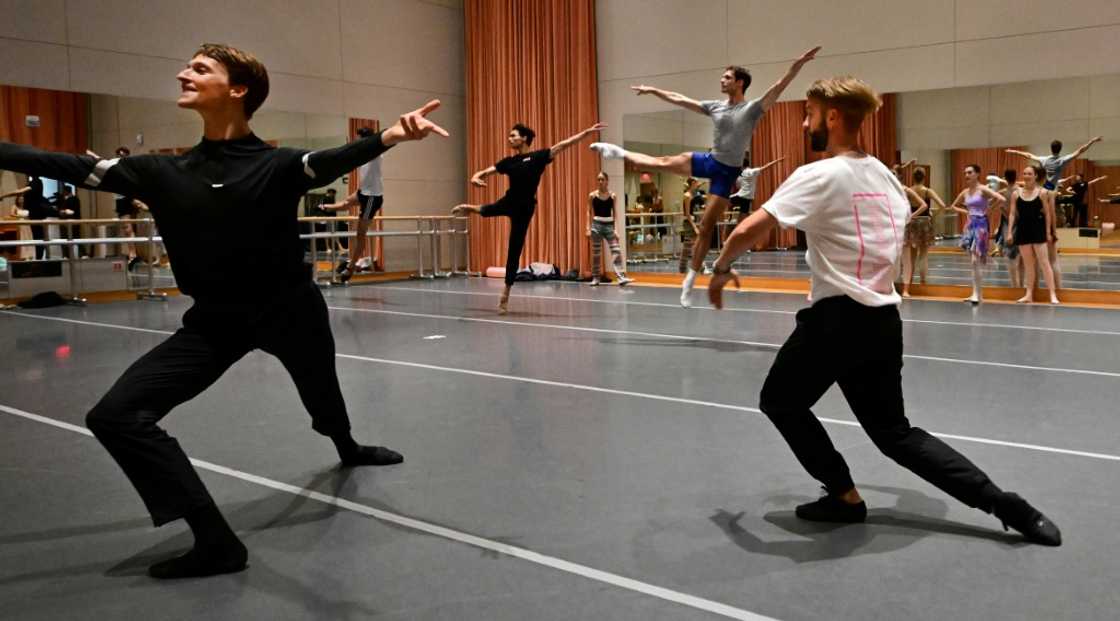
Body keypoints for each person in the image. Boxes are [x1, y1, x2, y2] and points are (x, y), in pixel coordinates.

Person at [0, 43, 449, 579]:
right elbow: (63, 164)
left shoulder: (277, 165)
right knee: (115, 416)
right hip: (216, 322)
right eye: (188, 65)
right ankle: (215, 542)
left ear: (237, 90)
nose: (182, 72)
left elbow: (325, 162)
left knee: (323, 396)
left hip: (290, 312)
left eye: (200, 68)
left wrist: (389, 137)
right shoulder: (158, 172)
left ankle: (347, 445)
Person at [706, 75, 1061, 547]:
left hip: (835, 320)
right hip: (882, 321)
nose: (805, 124)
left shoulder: (819, 173)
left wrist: (720, 268)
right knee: (896, 434)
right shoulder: (885, 176)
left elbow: (749, 227)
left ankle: (844, 496)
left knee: (781, 401)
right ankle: (1009, 507)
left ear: (832, 117)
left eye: (809, 114)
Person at [590, 46, 821, 307]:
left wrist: (798, 64)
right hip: (710, 161)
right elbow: (681, 99)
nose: (722, 81)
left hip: (726, 174)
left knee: (707, 227)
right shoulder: (715, 107)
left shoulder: (752, 109)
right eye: (722, 77)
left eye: (727, 78)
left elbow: (780, 86)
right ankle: (616, 151)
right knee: (663, 162)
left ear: (740, 82)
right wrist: (654, 91)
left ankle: (690, 279)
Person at [452, 121, 605, 314]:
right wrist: (476, 176)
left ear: (524, 138)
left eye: (513, 136)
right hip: (509, 201)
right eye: (509, 136)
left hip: (525, 208)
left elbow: (563, 145)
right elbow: (486, 171)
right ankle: (473, 208)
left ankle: (505, 294)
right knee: (489, 210)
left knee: (514, 248)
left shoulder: (538, 157)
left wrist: (586, 132)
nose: (510, 139)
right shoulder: (509, 162)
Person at [319, 127, 385, 282]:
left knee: (360, 234)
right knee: (346, 203)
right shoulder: (361, 153)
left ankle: (351, 268)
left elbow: (382, 141)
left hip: (372, 197)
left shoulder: (376, 153)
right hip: (363, 191)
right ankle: (324, 207)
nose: (356, 141)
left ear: (366, 139)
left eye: (358, 138)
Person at [949, 164, 1005, 304]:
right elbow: (953, 206)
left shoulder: (983, 189)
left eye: (970, 172)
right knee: (973, 262)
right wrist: (966, 212)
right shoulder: (965, 192)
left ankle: (977, 294)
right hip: (970, 225)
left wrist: (989, 210)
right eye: (965, 173)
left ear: (977, 174)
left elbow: (1001, 199)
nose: (967, 175)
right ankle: (977, 294)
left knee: (975, 260)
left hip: (981, 224)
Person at [1009, 165, 1060, 304]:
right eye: (1024, 173)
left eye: (1029, 173)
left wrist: (1049, 232)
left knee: (1044, 263)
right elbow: (1013, 213)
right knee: (1028, 264)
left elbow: (1048, 213)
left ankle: (1052, 294)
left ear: (1036, 176)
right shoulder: (1016, 193)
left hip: (1038, 230)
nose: (1026, 176)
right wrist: (1009, 232)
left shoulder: (1042, 193)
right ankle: (1029, 294)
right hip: (1023, 230)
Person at [586, 172, 633, 286]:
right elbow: (588, 211)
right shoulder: (592, 195)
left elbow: (615, 213)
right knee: (596, 253)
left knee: (616, 250)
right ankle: (596, 278)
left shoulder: (613, 195)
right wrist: (587, 228)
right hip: (596, 225)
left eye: (602, 179)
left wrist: (616, 229)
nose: (600, 182)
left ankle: (620, 277)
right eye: (598, 179)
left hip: (608, 225)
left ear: (607, 181)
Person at [1006, 137, 1102, 191]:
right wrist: (1092, 141)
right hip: (1051, 188)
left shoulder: (1044, 160)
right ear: (1060, 149)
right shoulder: (1062, 160)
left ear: (1051, 149)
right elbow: (1080, 151)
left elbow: (1028, 155)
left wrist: (1014, 151)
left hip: (1042, 186)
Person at [897, 168, 931, 298]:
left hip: (906, 226)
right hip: (893, 227)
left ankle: (907, 288)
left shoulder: (907, 190)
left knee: (908, 258)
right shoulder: (888, 191)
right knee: (897, 259)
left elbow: (923, 205)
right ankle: (898, 285)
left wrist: (911, 216)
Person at [729, 155, 784, 219]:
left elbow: (765, 167)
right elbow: (766, 166)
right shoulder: (748, 172)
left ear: (742, 165)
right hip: (748, 197)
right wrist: (778, 161)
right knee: (743, 214)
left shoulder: (747, 172)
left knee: (725, 199)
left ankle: (729, 218)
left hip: (742, 195)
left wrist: (777, 161)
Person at [678, 178, 703, 273]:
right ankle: (702, 267)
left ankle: (682, 268)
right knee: (696, 246)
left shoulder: (691, 194)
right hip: (689, 223)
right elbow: (687, 214)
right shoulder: (687, 196)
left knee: (687, 247)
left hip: (691, 222)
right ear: (693, 183)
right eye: (696, 183)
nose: (698, 184)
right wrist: (695, 227)